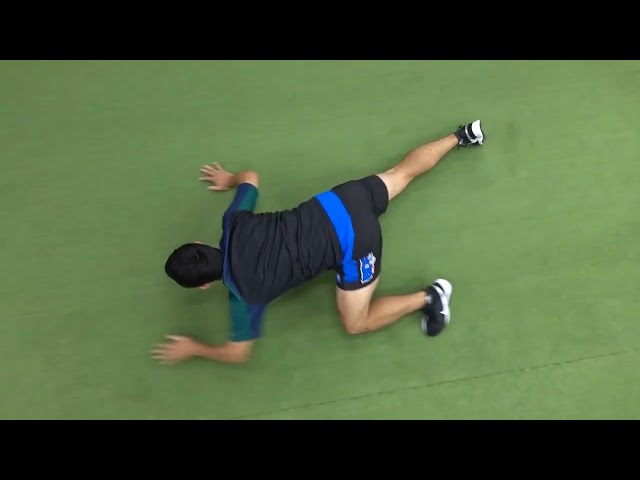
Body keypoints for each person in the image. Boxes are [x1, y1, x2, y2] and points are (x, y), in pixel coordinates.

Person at [152, 120, 485, 365]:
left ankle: (430, 297)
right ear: (201, 243)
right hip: (339, 202)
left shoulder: (244, 297)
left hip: (356, 245)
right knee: (400, 173)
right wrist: (230, 179)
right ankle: (463, 135)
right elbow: (251, 177)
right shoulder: (233, 221)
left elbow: (238, 353)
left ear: (204, 286)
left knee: (355, 323)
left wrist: (194, 348)